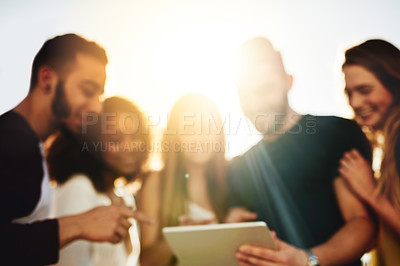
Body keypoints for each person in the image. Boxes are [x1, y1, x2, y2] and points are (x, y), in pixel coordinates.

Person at [0, 34, 151, 265]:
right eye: (87, 91)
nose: (96, 107)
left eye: (99, 95)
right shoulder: (10, 141)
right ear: (47, 79)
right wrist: (78, 224)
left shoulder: (31, 147)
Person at [228, 37, 376, 266]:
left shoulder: (335, 132)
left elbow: (363, 224)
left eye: (265, 89)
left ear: (288, 81)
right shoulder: (239, 167)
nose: (256, 103)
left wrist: (305, 260)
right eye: (246, 94)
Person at [47, 96, 151, 266]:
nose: (129, 147)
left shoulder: (123, 195)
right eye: (116, 140)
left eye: (135, 137)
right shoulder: (79, 188)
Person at [139, 93, 228, 265]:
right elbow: (146, 261)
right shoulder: (157, 182)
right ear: (175, 135)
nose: (199, 138)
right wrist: (181, 240)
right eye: (189, 129)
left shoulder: (230, 178)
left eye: (207, 128)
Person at [339, 39, 400, 266]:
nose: (355, 102)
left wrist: (370, 192)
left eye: (365, 90)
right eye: (349, 93)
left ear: (394, 83)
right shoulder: (387, 147)